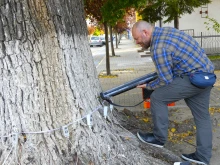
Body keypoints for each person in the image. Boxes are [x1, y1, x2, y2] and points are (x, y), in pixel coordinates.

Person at [132, 20, 214, 165]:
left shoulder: (157, 46)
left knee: (157, 97)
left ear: (145, 33)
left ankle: (158, 138)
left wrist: (149, 86)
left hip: (192, 77)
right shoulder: (168, 31)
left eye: (137, 39)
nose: (137, 42)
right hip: (206, 75)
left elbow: (165, 79)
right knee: (203, 118)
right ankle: (203, 157)